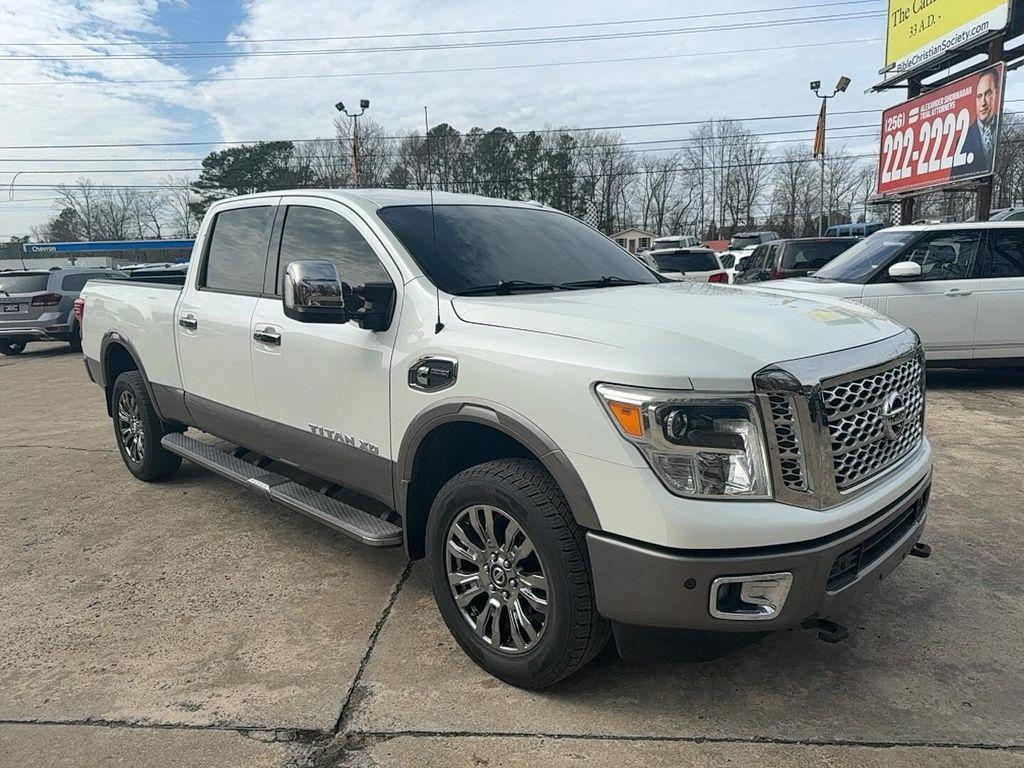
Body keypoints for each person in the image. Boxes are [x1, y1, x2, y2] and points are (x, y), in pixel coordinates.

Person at [953, 68, 1000, 179]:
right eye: (979, 96)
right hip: (972, 194)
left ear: (996, 93)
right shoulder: (963, 140)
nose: (983, 103)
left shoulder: (1003, 131)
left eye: (988, 94)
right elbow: (955, 181)